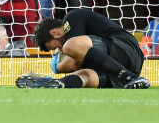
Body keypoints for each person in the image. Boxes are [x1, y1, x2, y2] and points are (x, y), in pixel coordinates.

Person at [16, 8, 151, 89]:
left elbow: (72, 62)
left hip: (125, 46)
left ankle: (129, 77)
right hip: (124, 68)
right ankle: (54, 84)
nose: (61, 50)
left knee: (71, 47)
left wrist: (57, 67)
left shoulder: (71, 18)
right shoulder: (79, 45)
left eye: (58, 47)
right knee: (86, 76)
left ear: (55, 33)